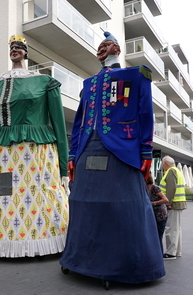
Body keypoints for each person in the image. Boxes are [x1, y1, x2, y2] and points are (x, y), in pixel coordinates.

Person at [59, 32, 165, 283]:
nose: (101, 48)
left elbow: (145, 113)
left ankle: (123, 266)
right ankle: (79, 260)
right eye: (99, 45)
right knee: (82, 205)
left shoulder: (136, 75)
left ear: (117, 48)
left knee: (124, 207)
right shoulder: (88, 84)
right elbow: (79, 121)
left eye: (105, 45)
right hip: (87, 148)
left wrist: (146, 150)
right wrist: (73, 153)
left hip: (123, 150)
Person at [0, 35, 69, 258]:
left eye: (20, 47)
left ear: (26, 52)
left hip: (35, 156)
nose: (15, 50)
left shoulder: (43, 82)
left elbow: (59, 126)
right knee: (1, 198)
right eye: (12, 47)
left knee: (38, 197)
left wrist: (63, 167)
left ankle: (42, 241)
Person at [160, 155, 187, 260]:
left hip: (174, 203)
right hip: (178, 203)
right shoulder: (176, 170)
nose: (162, 166)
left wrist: (168, 202)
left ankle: (171, 253)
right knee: (176, 228)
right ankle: (177, 251)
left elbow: (171, 188)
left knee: (171, 228)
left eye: (162, 164)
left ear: (165, 164)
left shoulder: (171, 171)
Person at [146, 173, 168, 254]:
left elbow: (165, 199)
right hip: (152, 216)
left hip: (160, 216)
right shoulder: (143, 188)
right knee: (152, 237)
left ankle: (159, 255)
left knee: (158, 237)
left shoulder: (154, 188)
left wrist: (153, 203)